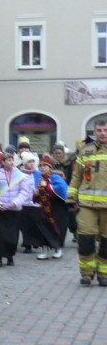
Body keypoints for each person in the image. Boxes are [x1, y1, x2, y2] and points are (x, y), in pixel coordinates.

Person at [67, 119, 107, 286]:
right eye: (99, 130)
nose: (102, 133)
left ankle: (104, 274)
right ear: (94, 132)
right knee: (85, 239)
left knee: (106, 242)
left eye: (105, 130)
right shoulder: (85, 152)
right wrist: (70, 198)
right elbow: (77, 177)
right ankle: (87, 273)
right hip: (87, 205)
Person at [0, 151, 32, 267]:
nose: (11, 162)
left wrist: (15, 202)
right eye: (8, 160)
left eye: (12, 160)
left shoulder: (20, 175)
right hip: (2, 209)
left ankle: (10, 257)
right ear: (2, 162)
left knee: (12, 235)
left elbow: (24, 191)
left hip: (14, 210)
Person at [33, 155, 69, 260]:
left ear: (50, 167)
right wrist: (36, 193)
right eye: (41, 166)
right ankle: (45, 250)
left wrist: (47, 187)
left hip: (57, 208)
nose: (42, 168)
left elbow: (61, 189)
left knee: (57, 228)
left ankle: (58, 249)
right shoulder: (39, 178)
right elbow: (36, 194)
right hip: (44, 208)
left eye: (45, 166)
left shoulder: (56, 177)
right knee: (44, 228)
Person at [18, 152, 42, 254]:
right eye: (29, 162)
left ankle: (34, 241)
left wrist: (37, 191)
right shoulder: (20, 174)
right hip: (23, 203)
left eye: (33, 161)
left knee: (34, 224)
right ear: (24, 163)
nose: (31, 164)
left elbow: (37, 186)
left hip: (33, 203)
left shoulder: (36, 173)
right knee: (25, 225)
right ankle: (27, 245)